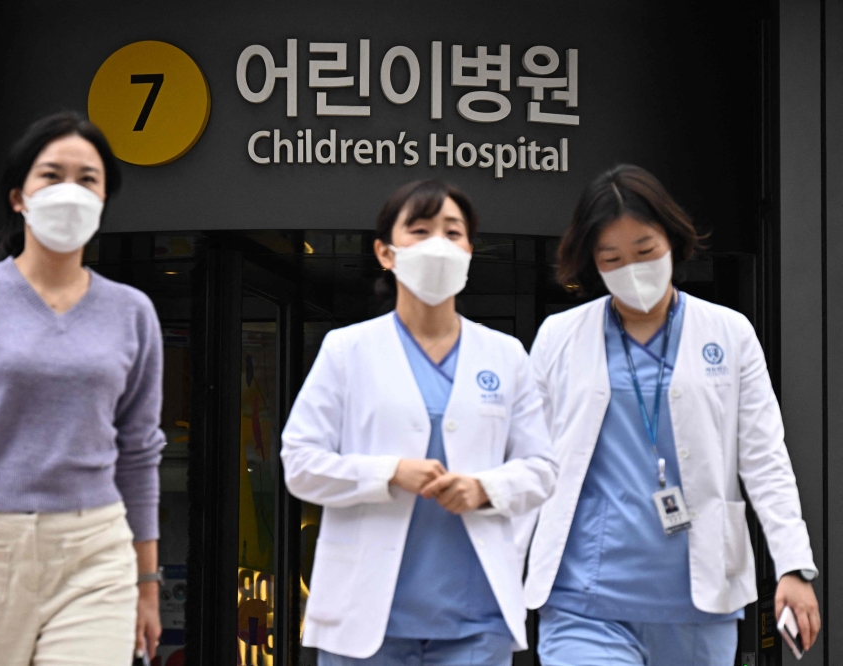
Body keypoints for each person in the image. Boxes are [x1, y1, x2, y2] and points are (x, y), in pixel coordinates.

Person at [523, 165, 820, 665]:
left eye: (644, 251)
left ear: (672, 240)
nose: (632, 269)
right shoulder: (559, 336)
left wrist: (793, 565)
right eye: (612, 258)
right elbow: (526, 460)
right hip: (584, 601)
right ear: (592, 263)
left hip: (697, 607)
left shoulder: (729, 333)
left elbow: (765, 459)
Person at [0, 111, 166, 665]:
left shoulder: (132, 312)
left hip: (94, 549)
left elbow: (139, 454)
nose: (70, 190)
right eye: (51, 175)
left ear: (103, 202)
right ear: (18, 196)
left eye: (88, 179)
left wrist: (146, 583)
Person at [280, 180, 558, 665]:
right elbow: (300, 463)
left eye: (453, 233)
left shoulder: (505, 355)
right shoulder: (347, 351)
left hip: (477, 621)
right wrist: (387, 474)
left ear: (470, 250)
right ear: (385, 253)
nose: (438, 246)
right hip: (365, 621)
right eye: (420, 230)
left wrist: (485, 487)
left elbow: (541, 468)